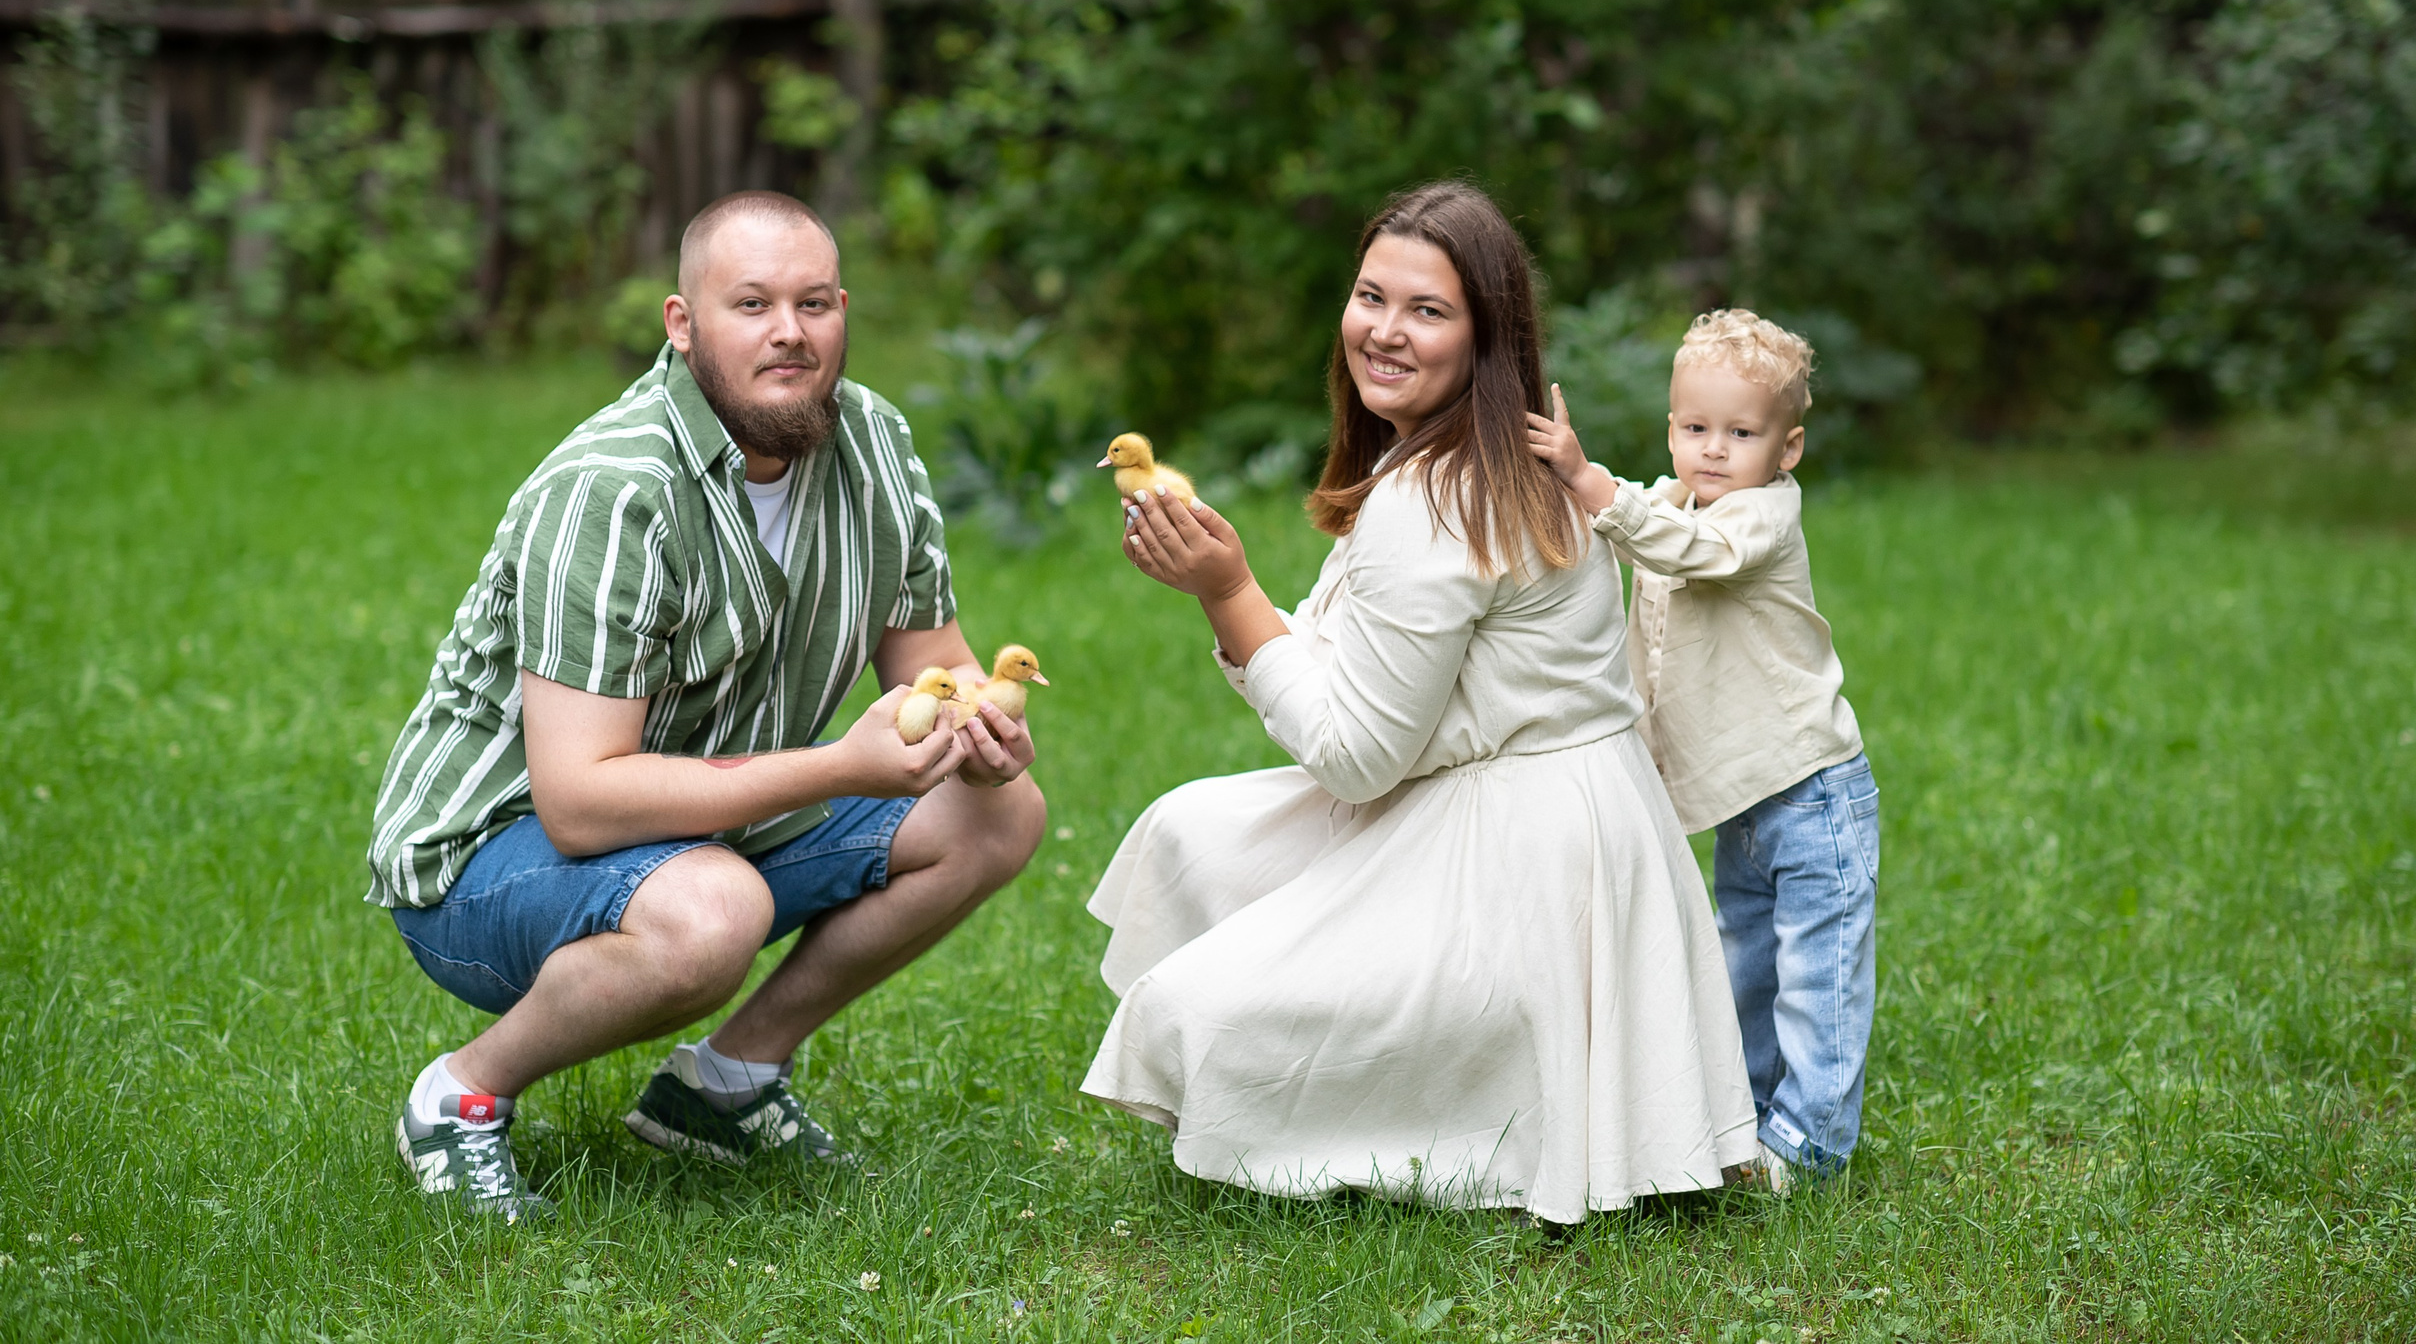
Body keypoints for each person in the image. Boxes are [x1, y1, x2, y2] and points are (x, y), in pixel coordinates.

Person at [1082, 180, 1761, 1225]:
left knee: (1195, 1013)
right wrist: (1236, 600)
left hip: (1524, 863)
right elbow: (1350, 663)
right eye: (1371, 297)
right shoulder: (1477, 452)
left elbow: (1355, 758)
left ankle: (1480, 1086)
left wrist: (1227, 590)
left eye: (1428, 310)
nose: (1385, 331)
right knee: (1192, 834)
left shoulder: (1439, 495)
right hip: (1548, 814)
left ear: (1487, 335)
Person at [366, 191, 1046, 1221]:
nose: (789, 331)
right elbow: (578, 802)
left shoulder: (874, 443)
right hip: (492, 858)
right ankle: (459, 1094)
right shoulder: (614, 488)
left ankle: (724, 1085)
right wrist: (841, 767)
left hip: (710, 824)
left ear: (843, 312)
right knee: (713, 910)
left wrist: (978, 732)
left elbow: (933, 669)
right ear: (683, 324)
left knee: (999, 812)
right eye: (752, 304)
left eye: (812, 303)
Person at [1527, 308, 1876, 1189]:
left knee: (1819, 972)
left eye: (1741, 433)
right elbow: (1632, 556)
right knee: (1744, 962)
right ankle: (1748, 1118)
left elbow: (1692, 553)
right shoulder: (1668, 503)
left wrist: (1592, 484)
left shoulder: (1761, 517)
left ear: (1788, 449)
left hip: (1808, 784)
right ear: (1671, 428)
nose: (1714, 449)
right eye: (1694, 428)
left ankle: (1812, 1142)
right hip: (1738, 797)